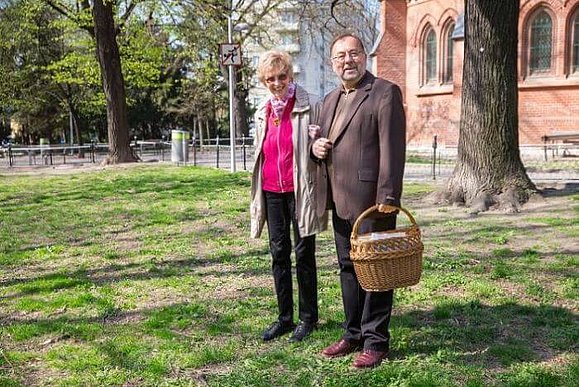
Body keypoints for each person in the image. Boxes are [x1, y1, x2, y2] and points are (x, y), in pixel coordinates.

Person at [311, 33, 406, 368]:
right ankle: (352, 334)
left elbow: (392, 150)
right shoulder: (329, 99)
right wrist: (315, 147)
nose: (347, 60)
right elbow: (323, 141)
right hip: (339, 200)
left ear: (364, 56)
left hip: (372, 203)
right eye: (340, 56)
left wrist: (389, 197)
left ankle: (376, 341)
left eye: (353, 53)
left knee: (376, 271)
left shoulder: (384, 92)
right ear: (332, 63)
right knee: (348, 268)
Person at [250, 50, 327, 343]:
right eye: (270, 78)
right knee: (278, 254)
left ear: (290, 75)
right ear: (264, 81)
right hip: (271, 191)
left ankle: (308, 318)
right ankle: (284, 318)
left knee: (304, 254)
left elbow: (317, 145)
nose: (277, 83)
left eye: (282, 77)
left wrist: (317, 144)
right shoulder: (262, 112)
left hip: (300, 191)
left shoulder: (308, 106)